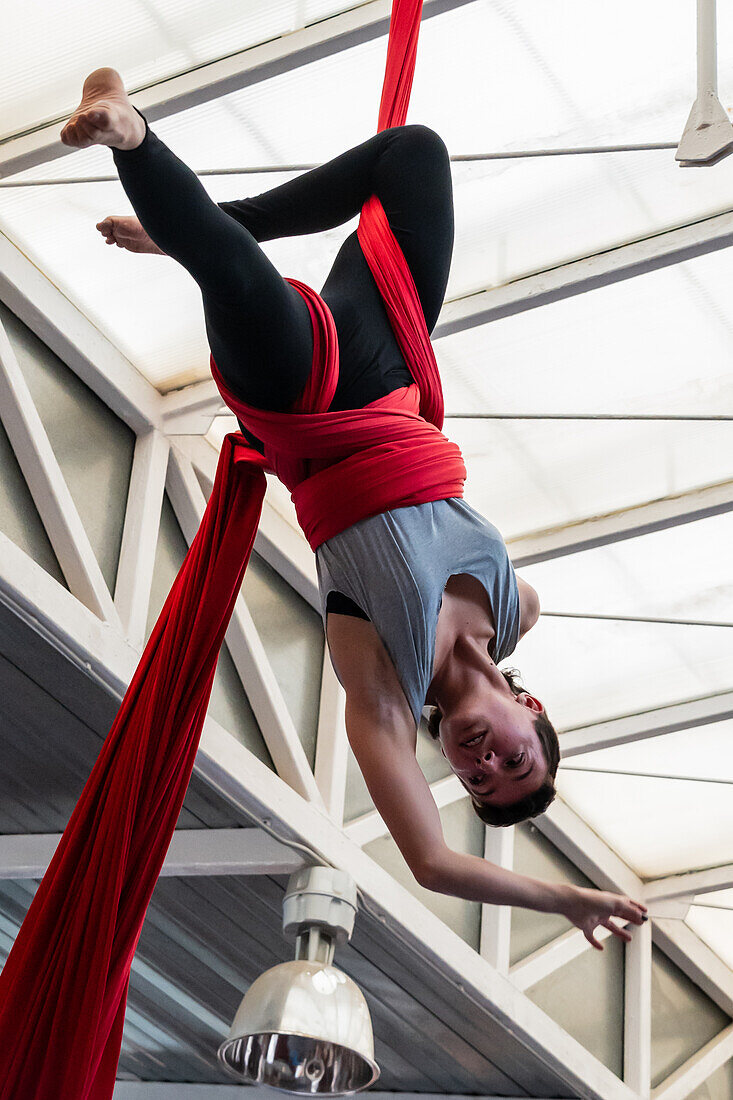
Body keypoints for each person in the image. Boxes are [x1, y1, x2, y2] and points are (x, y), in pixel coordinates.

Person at [60, 68, 648, 948]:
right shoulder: (515, 607)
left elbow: (433, 864)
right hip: (391, 370)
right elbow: (522, 603)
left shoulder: (378, 686)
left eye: (476, 779)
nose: (482, 762)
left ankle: (130, 133)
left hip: (303, 401)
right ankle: (194, 223)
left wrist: (560, 900)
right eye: (511, 760)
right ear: (534, 714)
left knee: (233, 276)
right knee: (412, 155)